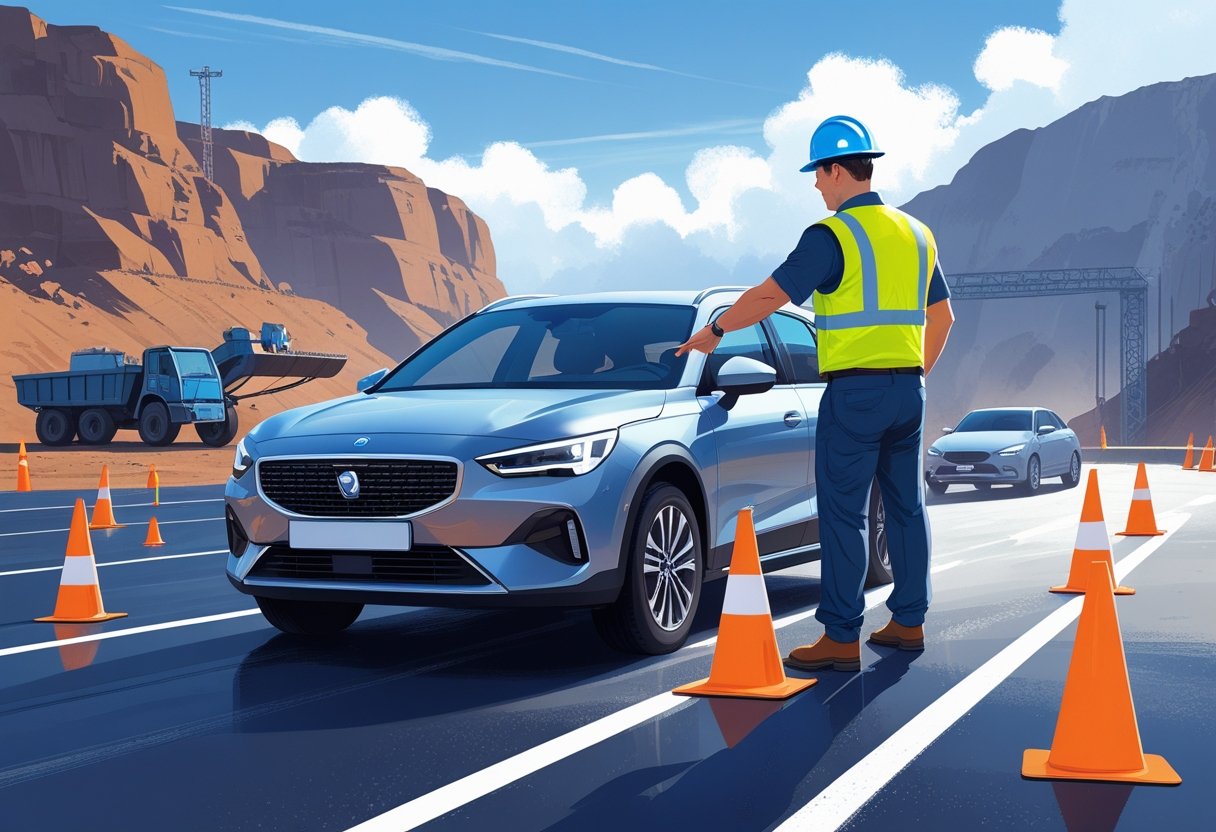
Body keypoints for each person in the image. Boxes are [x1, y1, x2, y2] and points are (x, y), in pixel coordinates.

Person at [675, 115, 955, 671]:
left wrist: (715, 333)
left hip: (855, 394)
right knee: (905, 507)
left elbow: (768, 297)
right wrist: (915, 373)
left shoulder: (831, 236)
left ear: (835, 170)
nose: (816, 186)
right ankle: (908, 621)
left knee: (843, 512)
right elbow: (943, 317)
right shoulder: (918, 234)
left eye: (818, 174)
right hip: (908, 390)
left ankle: (840, 636)